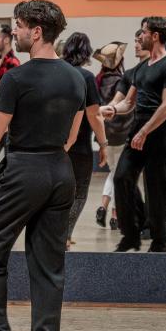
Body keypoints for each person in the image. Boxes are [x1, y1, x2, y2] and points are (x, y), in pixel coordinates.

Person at [0, 0, 86, 331]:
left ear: (36, 31)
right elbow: (71, 137)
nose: (14, 33)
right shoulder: (76, 78)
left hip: (24, 170)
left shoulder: (17, 78)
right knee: (50, 268)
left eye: (18, 26)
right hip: (61, 171)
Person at [101, 17, 166, 253]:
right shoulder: (141, 69)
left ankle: (160, 241)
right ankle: (131, 234)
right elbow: (129, 102)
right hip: (138, 129)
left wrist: (145, 131)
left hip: (158, 132)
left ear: (154, 36)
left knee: (157, 188)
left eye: (144, 32)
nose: (140, 36)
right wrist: (112, 109)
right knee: (121, 177)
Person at [60, 32, 109, 248]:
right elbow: (93, 114)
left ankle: (57, 235)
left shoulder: (56, 73)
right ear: (86, 53)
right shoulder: (86, 77)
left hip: (54, 144)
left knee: (56, 193)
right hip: (79, 146)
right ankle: (65, 235)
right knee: (79, 193)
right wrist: (103, 144)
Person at [92, 41, 130, 230]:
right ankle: (115, 215)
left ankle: (104, 207)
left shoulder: (98, 80)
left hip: (105, 134)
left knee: (114, 171)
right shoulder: (122, 81)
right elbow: (126, 107)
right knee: (119, 174)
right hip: (121, 133)